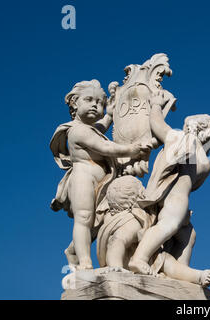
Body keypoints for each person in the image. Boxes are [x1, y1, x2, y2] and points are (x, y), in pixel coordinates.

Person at [50, 80, 149, 270]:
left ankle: (72, 251)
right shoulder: (77, 130)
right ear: (74, 104)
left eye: (100, 102)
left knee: (97, 224)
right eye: (89, 100)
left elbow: (100, 130)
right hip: (83, 178)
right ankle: (85, 260)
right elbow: (105, 146)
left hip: (103, 181)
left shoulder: (91, 129)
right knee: (84, 217)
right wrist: (132, 150)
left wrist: (110, 116)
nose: (96, 105)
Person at [128, 91, 210, 279]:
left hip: (182, 199)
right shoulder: (184, 140)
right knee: (169, 224)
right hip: (174, 197)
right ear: (203, 129)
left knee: (188, 234)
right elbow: (158, 126)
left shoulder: (199, 153)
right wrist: (156, 105)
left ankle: (180, 273)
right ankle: (139, 258)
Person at [98, 175, 210, 287]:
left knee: (165, 259)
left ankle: (198, 276)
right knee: (166, 261)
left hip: (140, 262)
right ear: (138, 195)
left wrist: (183, 216)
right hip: (125, 264)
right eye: (142, 190)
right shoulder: (132, 220)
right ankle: (198, 276)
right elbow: (117, 240)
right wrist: (116, 266)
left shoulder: (139, 216)